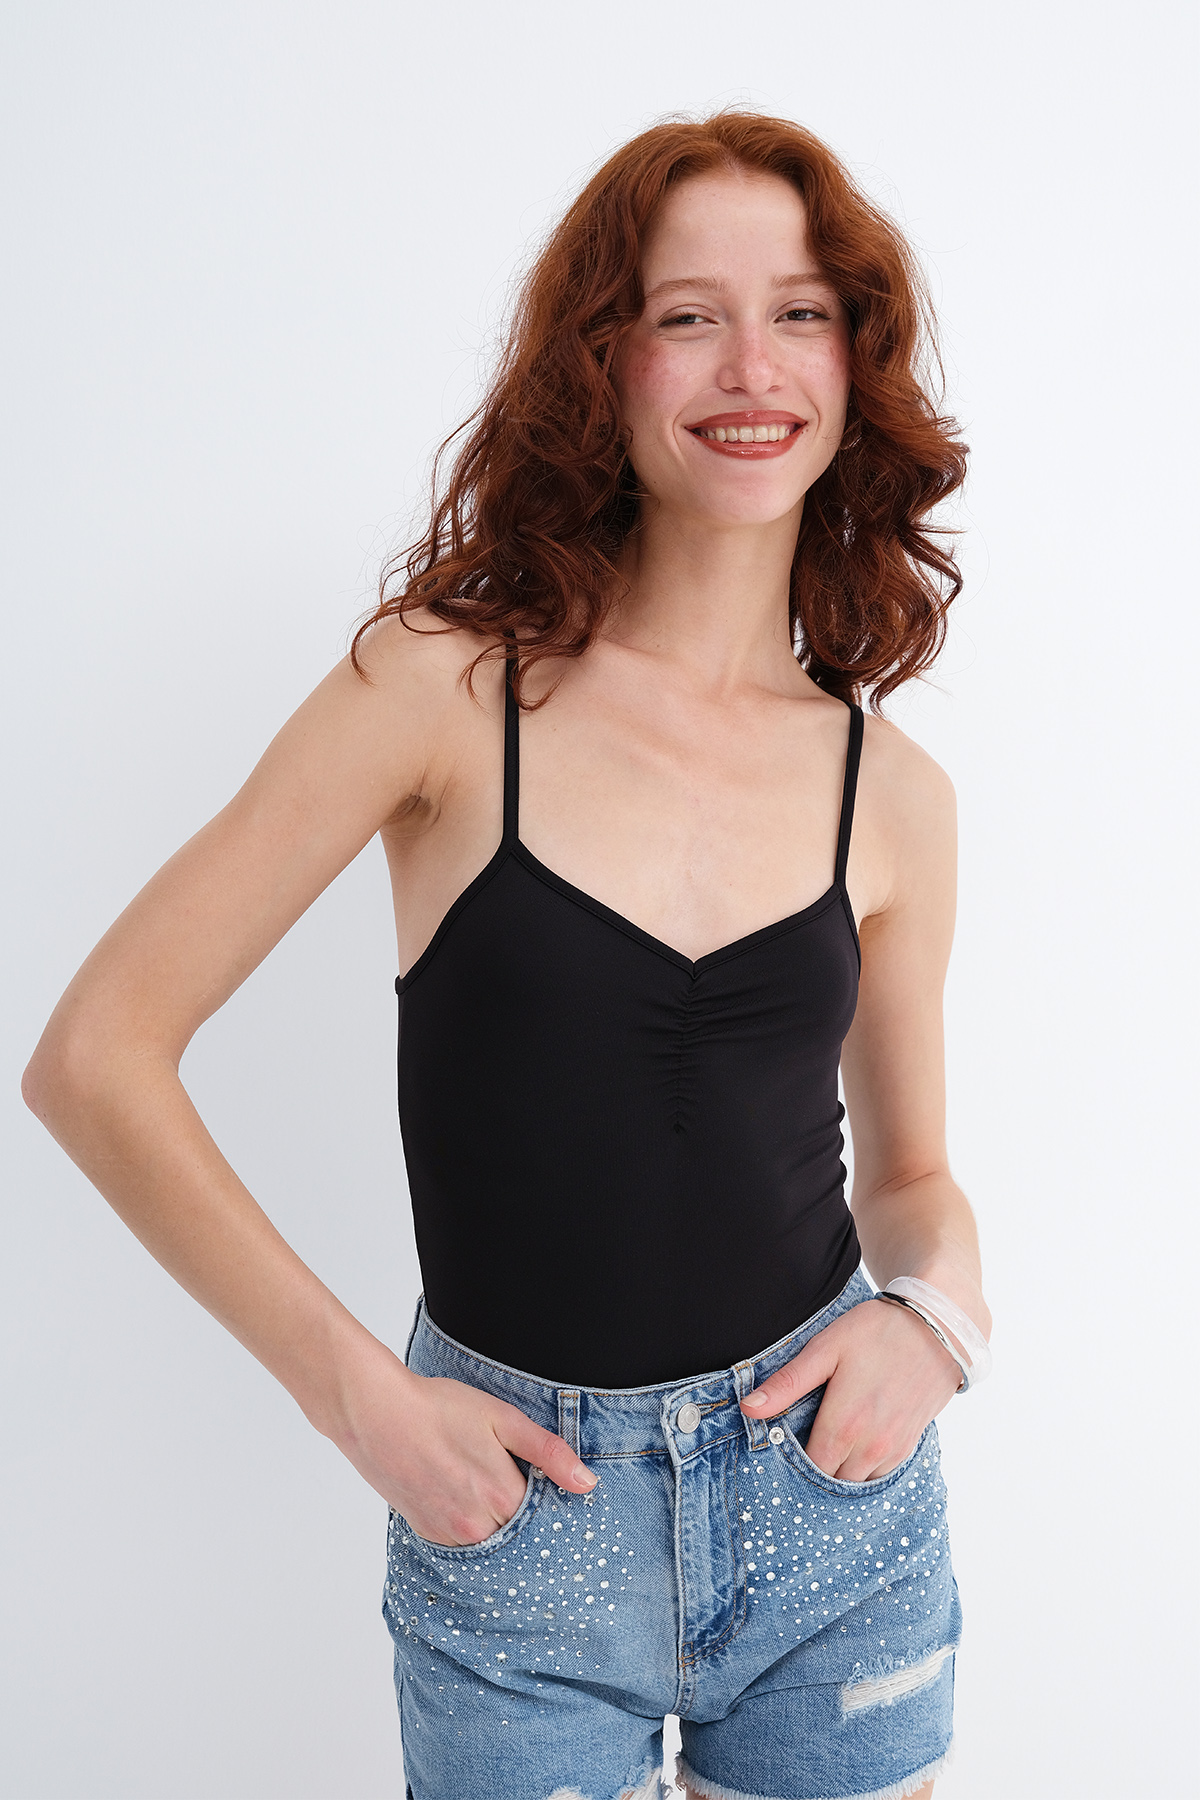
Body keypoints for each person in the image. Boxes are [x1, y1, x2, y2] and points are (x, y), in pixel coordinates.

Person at [23, 110, 992, 1800]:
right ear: (604, 362)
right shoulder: (441, 690)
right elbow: (94, 1057)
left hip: (834, 1514)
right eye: (688, 315)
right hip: (519, 1517)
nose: (751, 365)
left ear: (856, 364)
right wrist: (361, 1402)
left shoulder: (891, 790)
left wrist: (937, 1327)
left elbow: (913, 1180)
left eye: (801, 312)